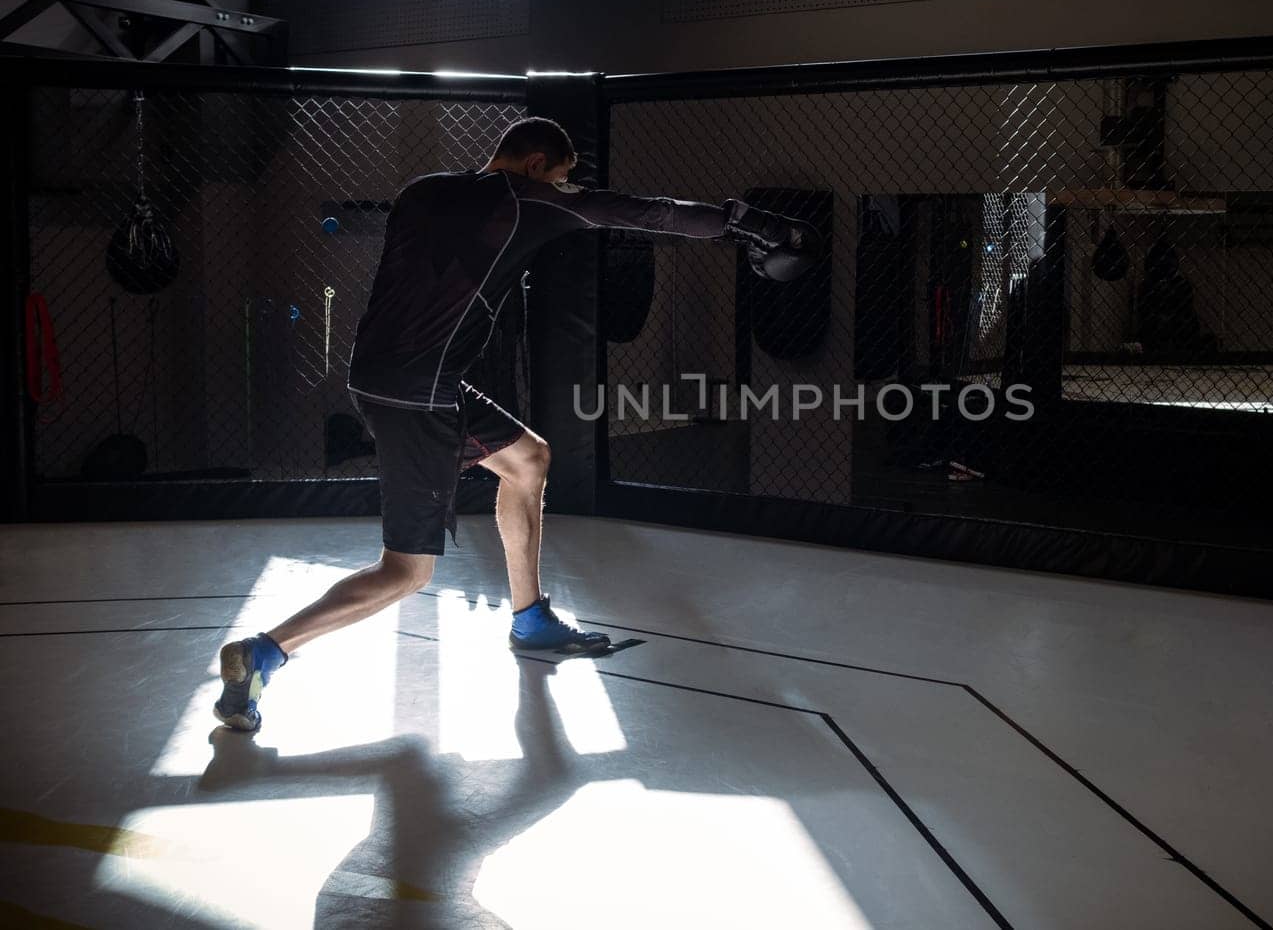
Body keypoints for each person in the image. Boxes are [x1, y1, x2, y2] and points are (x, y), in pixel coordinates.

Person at [213, 117, 821, 732]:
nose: (564, 189)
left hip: (386, 373)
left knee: (529, 458)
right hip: (421, 395)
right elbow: (647, 214)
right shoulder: (529, 198)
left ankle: (530, 618)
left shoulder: (423, 189)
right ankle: (265, 651)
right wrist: (747, 225)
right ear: (537, 165)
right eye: (560, 177)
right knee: (406, 571)